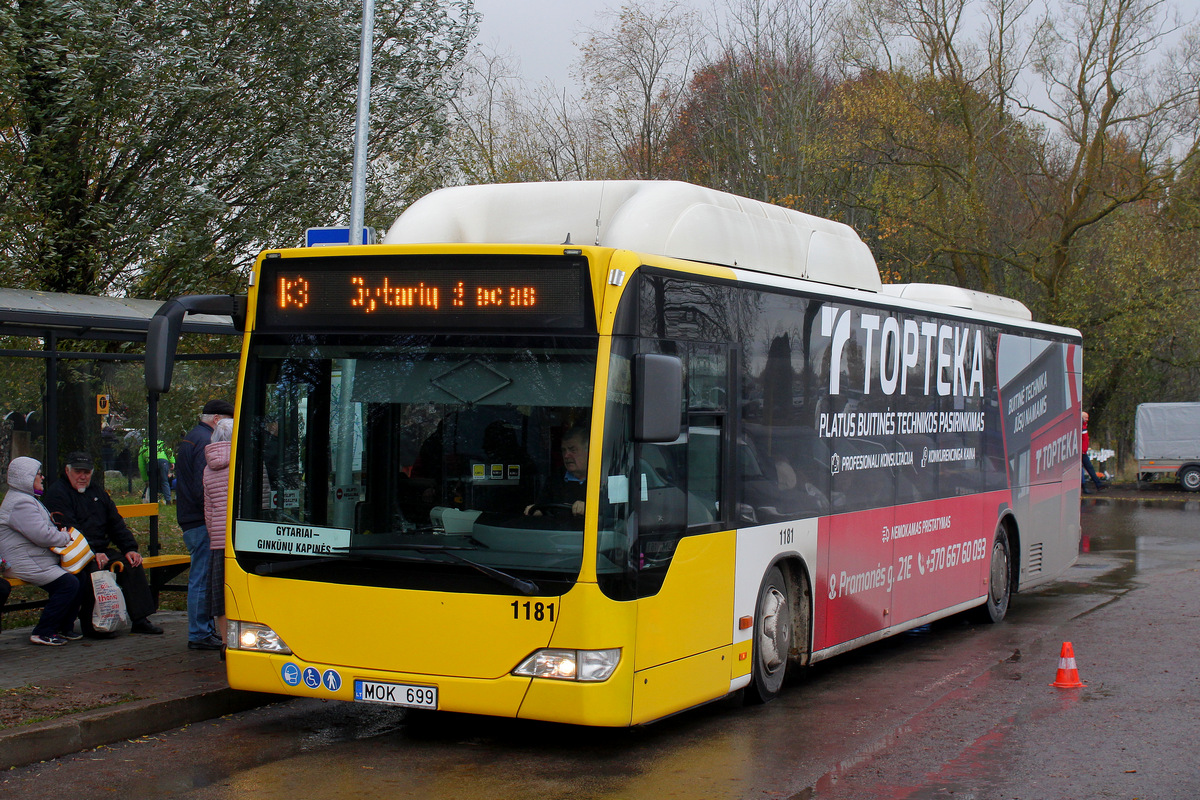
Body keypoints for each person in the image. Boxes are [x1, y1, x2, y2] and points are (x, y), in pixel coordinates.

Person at [41, 451, 163, 637]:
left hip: (100, 549)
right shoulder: (58, 493)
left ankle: (140, 619)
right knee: (93, 568)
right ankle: (93, 625)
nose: (82, 477)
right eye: (78, 472)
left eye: (87, 472)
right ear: (67, 471)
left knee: (131, 563)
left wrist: (130, 548)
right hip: (73, 553)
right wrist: (91, 552)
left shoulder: (97, 492)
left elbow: (115, 522)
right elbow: (69, 529)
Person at [0, 457, 83, 645]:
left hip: (34, 558)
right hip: (23, 562)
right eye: (38, 474)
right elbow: (42, 536)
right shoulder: (20, 503)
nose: (43, 477)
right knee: (68, 584)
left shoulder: (25, 498)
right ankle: (44, 631)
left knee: (78, 576)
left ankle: (64, 626)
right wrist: (65, 537)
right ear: (26, 477)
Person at [176, 399, 234, 651]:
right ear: (218, 419)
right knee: (202, 578)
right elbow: (206, 487)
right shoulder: (207, 443)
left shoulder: (192, 437)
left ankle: (203, 629)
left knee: (201, 576)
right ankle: (199, 632)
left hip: (191, 517)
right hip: (202, 521)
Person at [203, 418, 233, 645]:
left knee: (220, 597)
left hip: (218, 543)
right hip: (241, 539)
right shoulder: (246, 462)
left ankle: (225, 643)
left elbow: (209, 511)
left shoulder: (208, 468)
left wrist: (215, 537)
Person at [526, 424, 589, 517]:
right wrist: (536, 510)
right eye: (564, 450)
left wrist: (591, 508)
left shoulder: (603, 478)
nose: (566, 455)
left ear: (589, 451)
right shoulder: (555, 478)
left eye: (572, 450)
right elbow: (542, 506)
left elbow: (612, 513)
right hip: (557, 530)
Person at [138, 436, 174, 504]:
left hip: (151, 461)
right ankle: (168, 500)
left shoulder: (143, 447)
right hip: (163, 461)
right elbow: (169, 451)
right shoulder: (161, 443)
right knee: (164, 481)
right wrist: (172, 461)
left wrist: (146, 479)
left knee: (152, 482)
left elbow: (141, 465)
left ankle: (152, 500)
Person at [1081, 411, 1105, 493]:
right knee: (1085, 469)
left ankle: (1098, 485)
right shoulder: (1080, 426)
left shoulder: (1084, 425)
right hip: (1081, 453)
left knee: (1089, 468)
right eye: (1086, 417)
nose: (1087, 419)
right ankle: (1086, 487)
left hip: (1083, 452)